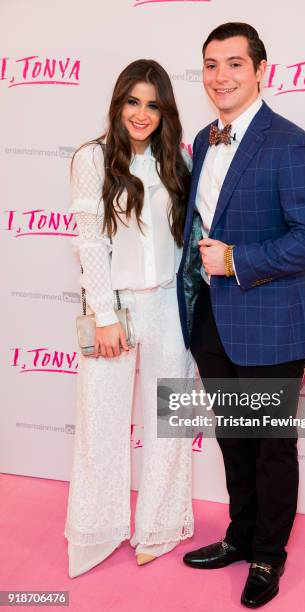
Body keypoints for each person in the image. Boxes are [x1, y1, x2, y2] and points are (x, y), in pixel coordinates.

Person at [177, 23, 305, 608]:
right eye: (211, 65)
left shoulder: (292, 143)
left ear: (262, 70)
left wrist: (238, 259)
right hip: (213, 322)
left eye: (235, 64)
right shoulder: (202, 137)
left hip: (271, 323)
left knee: (270, 448)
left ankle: (269, 555)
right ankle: (240, 537)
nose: (221, 77)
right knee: (232, 440)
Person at [64, 59, 195, 578]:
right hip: (113, 307)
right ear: (118, 103)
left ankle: (159, 527)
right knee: (101, 423)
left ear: (165, 112)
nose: (142, 114)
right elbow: (90, 242)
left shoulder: (176, 162)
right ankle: (98, 531)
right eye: (133, 102)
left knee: (170, 422)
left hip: (167, 304)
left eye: (153, 104)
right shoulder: (92, 158)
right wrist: (102, 314)